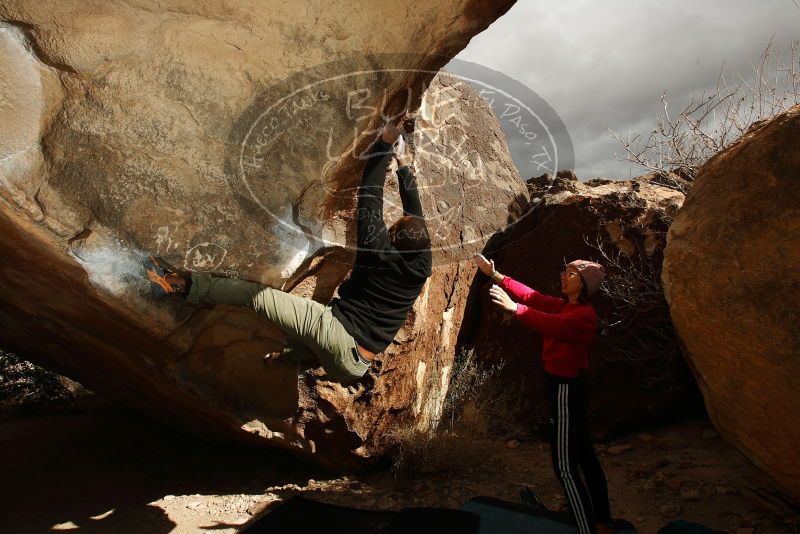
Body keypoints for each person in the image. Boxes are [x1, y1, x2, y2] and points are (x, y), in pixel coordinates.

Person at [144, 121, 432, 383]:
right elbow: (414, 214)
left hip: (335, 336)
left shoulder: (376, 248)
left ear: (393, 236)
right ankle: (286, 360)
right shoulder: (421, 266)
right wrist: (402, 162)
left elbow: (370, 192)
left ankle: (177, 284)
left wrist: (385, 145)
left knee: (254, 297)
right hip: (355, 368)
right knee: (315, 342)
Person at [473, 253, 613, 534]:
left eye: (570, 273)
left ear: (583, 282)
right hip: (567, 388)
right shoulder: (565, 306)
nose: (564, 275)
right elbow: (534, 297)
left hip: (564, 390)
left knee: (564, 465)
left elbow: (550, 325)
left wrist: (515, 309)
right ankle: (602, 522)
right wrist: (496, 275)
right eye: (564, 271)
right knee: (585, 456)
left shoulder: (582, 316)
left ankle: (588, 530)